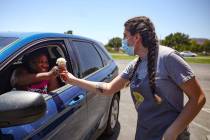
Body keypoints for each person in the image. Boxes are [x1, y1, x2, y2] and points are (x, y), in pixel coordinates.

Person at [59, 16, 206, 140]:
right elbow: (108, 89)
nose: (123, 40)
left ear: (136, 38)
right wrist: (73, 80)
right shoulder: (135, 64)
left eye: (125, 35)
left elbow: (198, 98)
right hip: (144, 133)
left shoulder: (168, 57)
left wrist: (172, 133)